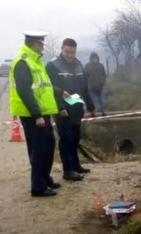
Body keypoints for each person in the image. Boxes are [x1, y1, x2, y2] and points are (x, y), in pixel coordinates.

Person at [9, 31, 60, 197]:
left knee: (49, 146)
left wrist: (60, 93)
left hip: (43, 112)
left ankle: (45, 179)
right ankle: (38, 187)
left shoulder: (35, 60)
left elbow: (44, 87)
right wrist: (37, 115)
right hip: (33, 115)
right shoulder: (23, 62)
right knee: (39, 151)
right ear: (34, 44)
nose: (42, 48)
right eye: (41, 44)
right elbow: (24, 91)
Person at [46, 38, 96, 180]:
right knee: (66, 140)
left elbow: (84, 88)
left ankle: (76, 165)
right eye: (67, 51)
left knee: (75, 138)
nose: (70, 55)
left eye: (73, 52)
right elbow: (50, 89)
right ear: (62, 49)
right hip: (62, 109)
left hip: (76, 107)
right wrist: (60, 108)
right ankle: (68, 171)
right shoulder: (53, 65)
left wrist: (90, 106)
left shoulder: (79, 65)